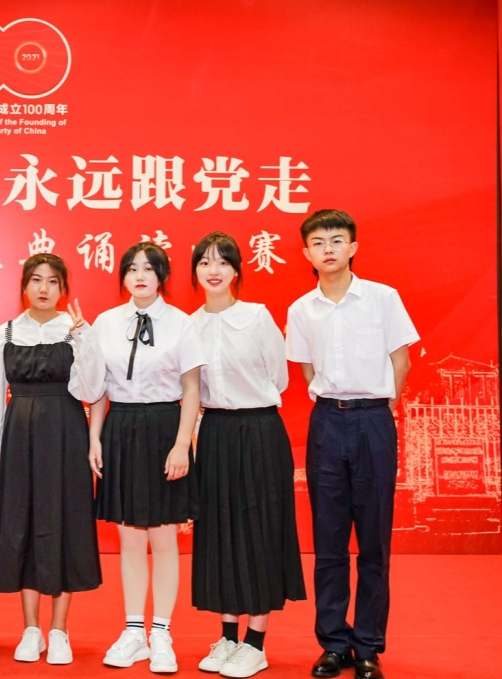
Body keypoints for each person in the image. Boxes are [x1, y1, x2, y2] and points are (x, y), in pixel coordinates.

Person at [286, 210, 417, 679]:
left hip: (373, 422)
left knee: (374, 541)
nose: (328, 249)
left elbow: (401, 360)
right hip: (327, 422)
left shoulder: (383, 298)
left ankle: (367, 647)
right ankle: (333, 643)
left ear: (353, 247)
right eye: (319, 242)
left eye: (337, 240)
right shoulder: (301, 309)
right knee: (329, 540)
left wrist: (380, 407)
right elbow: (307, 370)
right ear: (307, 253)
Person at [188, 232, 307, 678]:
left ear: (237, 270)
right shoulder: (189, 325)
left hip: (258, 431)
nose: (213, 270)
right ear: (195, 272)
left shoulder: (257, 317)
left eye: (222, 262)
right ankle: (227, 637)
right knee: (219, 530)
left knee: (259, 530)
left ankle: (255, 643)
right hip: (214, 432)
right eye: (204, 262)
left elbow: (278, 379)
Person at [83, 241, 204, 674]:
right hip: (120, 428)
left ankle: (162, 633)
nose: (140, 276)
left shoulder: (182, 323)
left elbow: (192, 389)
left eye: (149, 269)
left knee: (164, 538)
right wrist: (95, 438)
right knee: (130, 539)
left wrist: (182, 443)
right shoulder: (106, 322)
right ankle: (134, 632)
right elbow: (98, 389)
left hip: (164, 429)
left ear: (162, 276)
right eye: (132, 269)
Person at [0, 253, 101, 666]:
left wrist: (83, 338)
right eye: (36, 280)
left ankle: (59, 630)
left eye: (52, 281)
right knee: (23, 525)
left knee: (64, 523)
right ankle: (31, 629)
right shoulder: (7, 332)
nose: (44, 288)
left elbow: (92, 389)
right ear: (24, 286)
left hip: (66, 436)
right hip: (18, 439)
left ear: (63, 288)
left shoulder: (75, 330)